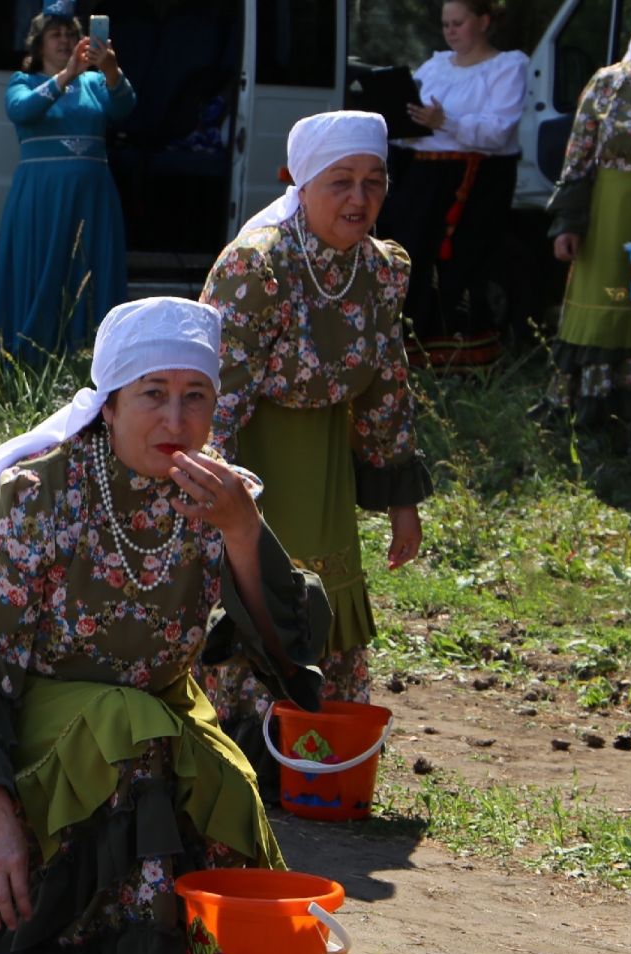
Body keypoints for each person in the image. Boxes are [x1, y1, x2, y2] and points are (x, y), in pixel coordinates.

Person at [0, 299, 332, 954]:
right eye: (153, 395)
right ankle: (119, 932)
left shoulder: (219, 497)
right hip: (24, 743)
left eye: (197, 397)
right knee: (127, 725)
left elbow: (288, 656)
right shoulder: (39, 494)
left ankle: (154, 935)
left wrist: (244, 533)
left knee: (205, 765)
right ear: (111, 404)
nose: (177, 421)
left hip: (149, 725)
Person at [198, 112, 432, 778]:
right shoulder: (260, 265)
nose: (359, 200)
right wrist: (216, 489)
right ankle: (243, 751)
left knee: (323, 591)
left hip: (324, 463)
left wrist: (400, 501)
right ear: (303, 185)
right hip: (256, 459)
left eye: (373, 183)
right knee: (256, 589)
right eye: (341, 183)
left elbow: (386, 386)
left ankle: (315, 749)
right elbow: (217, 392)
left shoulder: (383, 272)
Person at [542, 0, 631, 453]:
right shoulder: (609, 83)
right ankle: (593, 427)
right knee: (603, 313)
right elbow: (579, 157)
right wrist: (568, 221)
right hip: (606, 218)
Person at [0, 1, 136, 369]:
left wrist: (110, 69)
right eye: (55, 34)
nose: (64, 40)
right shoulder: (23, 82)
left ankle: (87, 361)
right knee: (39, 270)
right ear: (39, 44)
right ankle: (27, 360)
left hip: (91, 199)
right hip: (41, 200)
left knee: (89, 273)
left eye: (70, 34)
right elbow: (21, 110)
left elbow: (125, 106)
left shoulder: (95, 83)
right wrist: (66, 75)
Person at [378, 0, 528, 368]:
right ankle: (405, 351)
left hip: (471, 182)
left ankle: (457, 354)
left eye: (458, 22)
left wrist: (446, 121)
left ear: (484, 21)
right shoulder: (434, 65)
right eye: (446, 24)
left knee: (457, 264)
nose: (450, 31)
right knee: (407, 255)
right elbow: (413, 119)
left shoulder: (507, 67)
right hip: (419, 177)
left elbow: (499, 130)